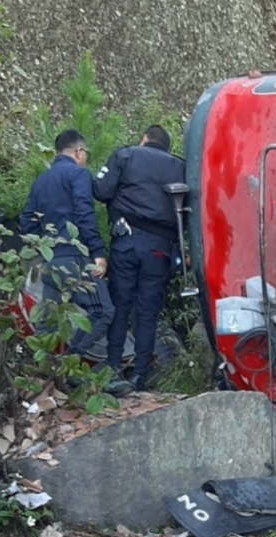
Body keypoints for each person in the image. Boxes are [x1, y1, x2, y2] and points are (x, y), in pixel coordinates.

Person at [20, 129, 134, 397]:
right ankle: (70, 362)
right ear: (79, 152)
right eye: (85, 155)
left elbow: (26, 222)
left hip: (49, 261)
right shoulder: (78, 174)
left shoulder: (40, 181)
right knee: (104, 311)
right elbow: (84, 214)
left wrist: (44, 246)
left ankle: (43, 379)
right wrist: (97, 252)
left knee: (49, 320)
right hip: (75, 256)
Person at [94, 125, 186, 391]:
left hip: (128, 239)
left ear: (144, 139)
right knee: (148, 311)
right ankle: (139, 376)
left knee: (120, 305)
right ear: (166, 146)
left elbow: (101, 190)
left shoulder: (126, 156)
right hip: (160, 248)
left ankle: (112, 369)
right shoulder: (179, 166)